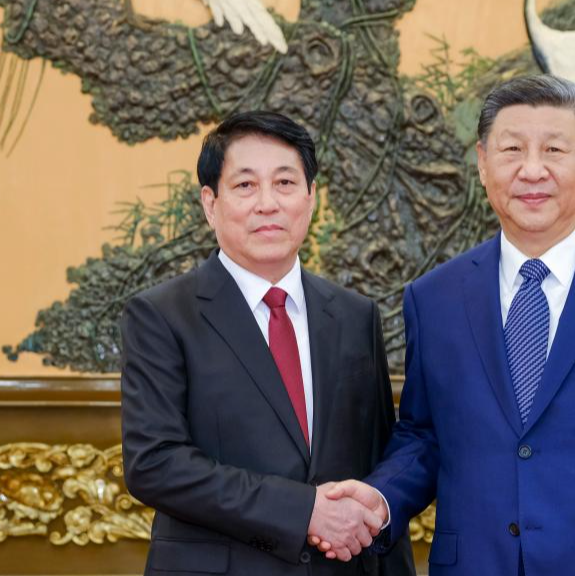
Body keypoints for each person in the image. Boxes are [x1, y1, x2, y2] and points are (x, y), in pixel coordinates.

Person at [319, 75, 575, 575]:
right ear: (482, 162)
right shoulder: (434, 299)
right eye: (512, 148)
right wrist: (378, 500)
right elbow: (425, 436)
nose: (531, 170)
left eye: (554, 149)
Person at [120, 110, 415, 576]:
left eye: (284, 183)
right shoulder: (161, 315)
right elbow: (155, 463)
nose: (267, 204)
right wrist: (304, 510)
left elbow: (376, 460)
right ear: (209, 203)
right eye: (244, 186)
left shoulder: (356, 315)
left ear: (311, 197)